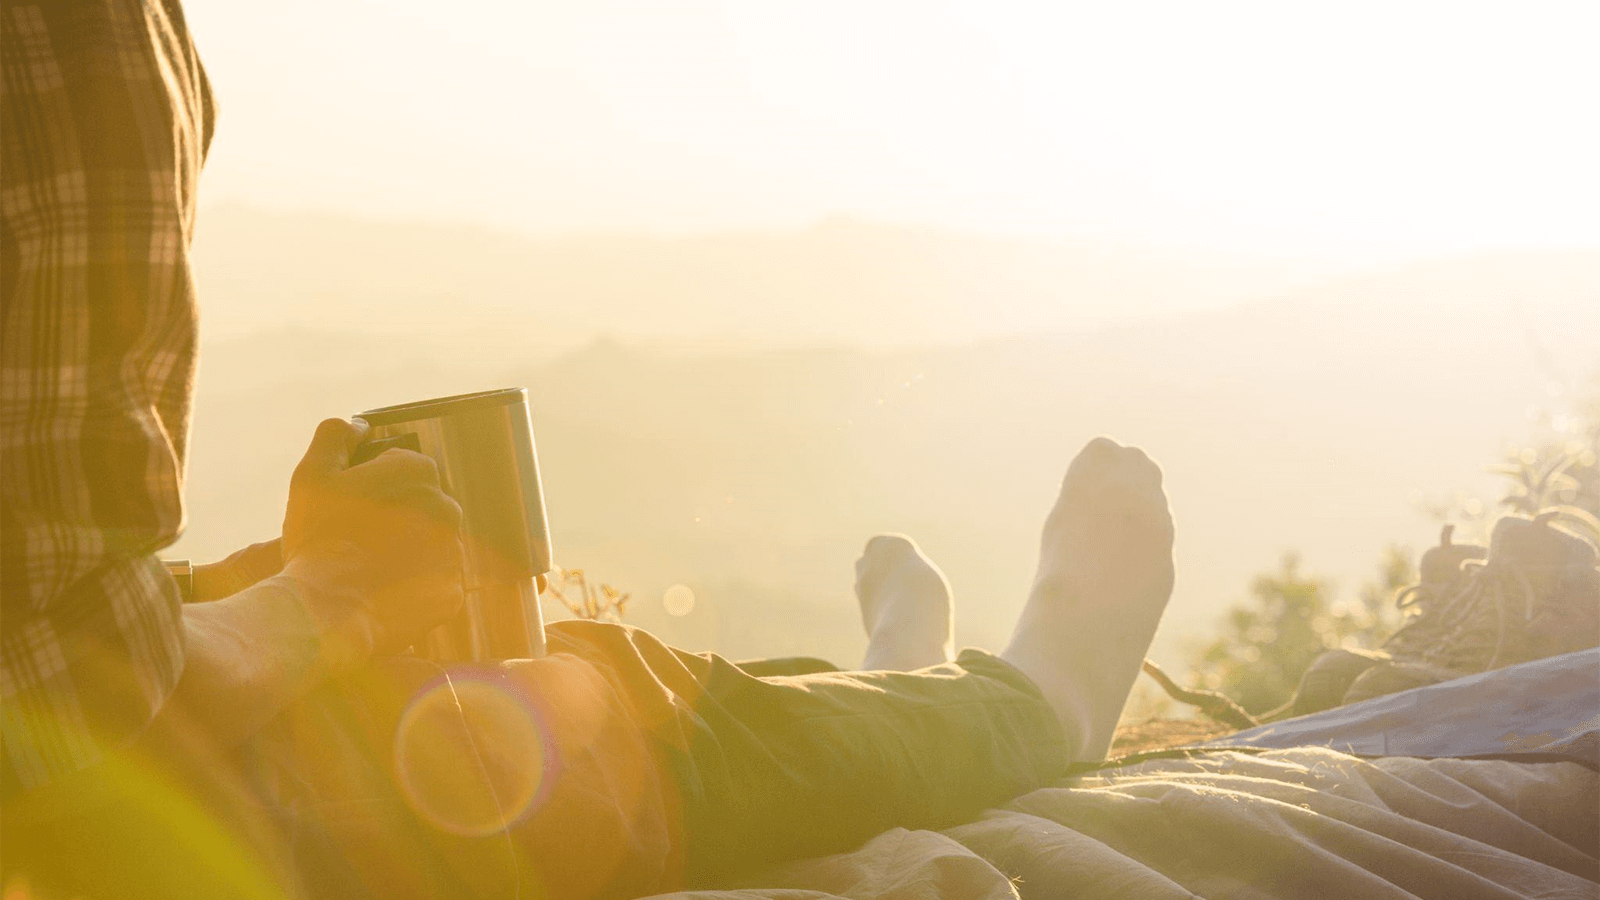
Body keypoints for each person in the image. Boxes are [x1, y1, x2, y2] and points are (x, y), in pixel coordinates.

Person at [0, 3, 1174, 898]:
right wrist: (328, 592)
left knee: (489, 662)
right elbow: (69, 703)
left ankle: (897, 690)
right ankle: (1039, 702)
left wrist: (252, 590)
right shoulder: (70, 45)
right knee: (585, 723)